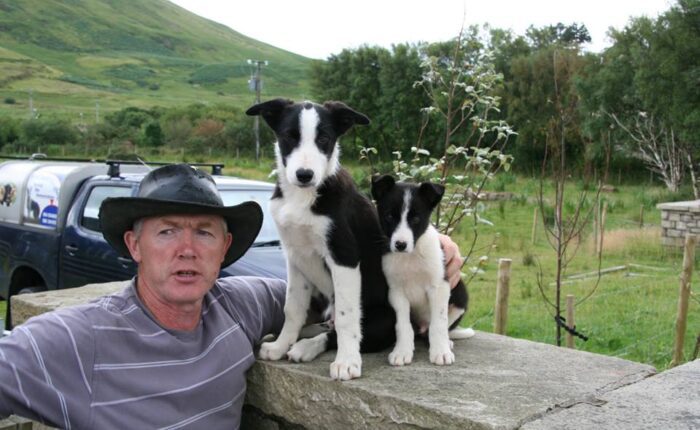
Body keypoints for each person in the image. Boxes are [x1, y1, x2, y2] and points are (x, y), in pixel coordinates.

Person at [0, 164, 465, 429]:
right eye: (166, 232)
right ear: (133, 245)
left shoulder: (240, 306)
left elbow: (338, 295)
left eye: (204, 232)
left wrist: (428, 249)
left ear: (224, 248)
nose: (186, 249)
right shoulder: (79, 336)